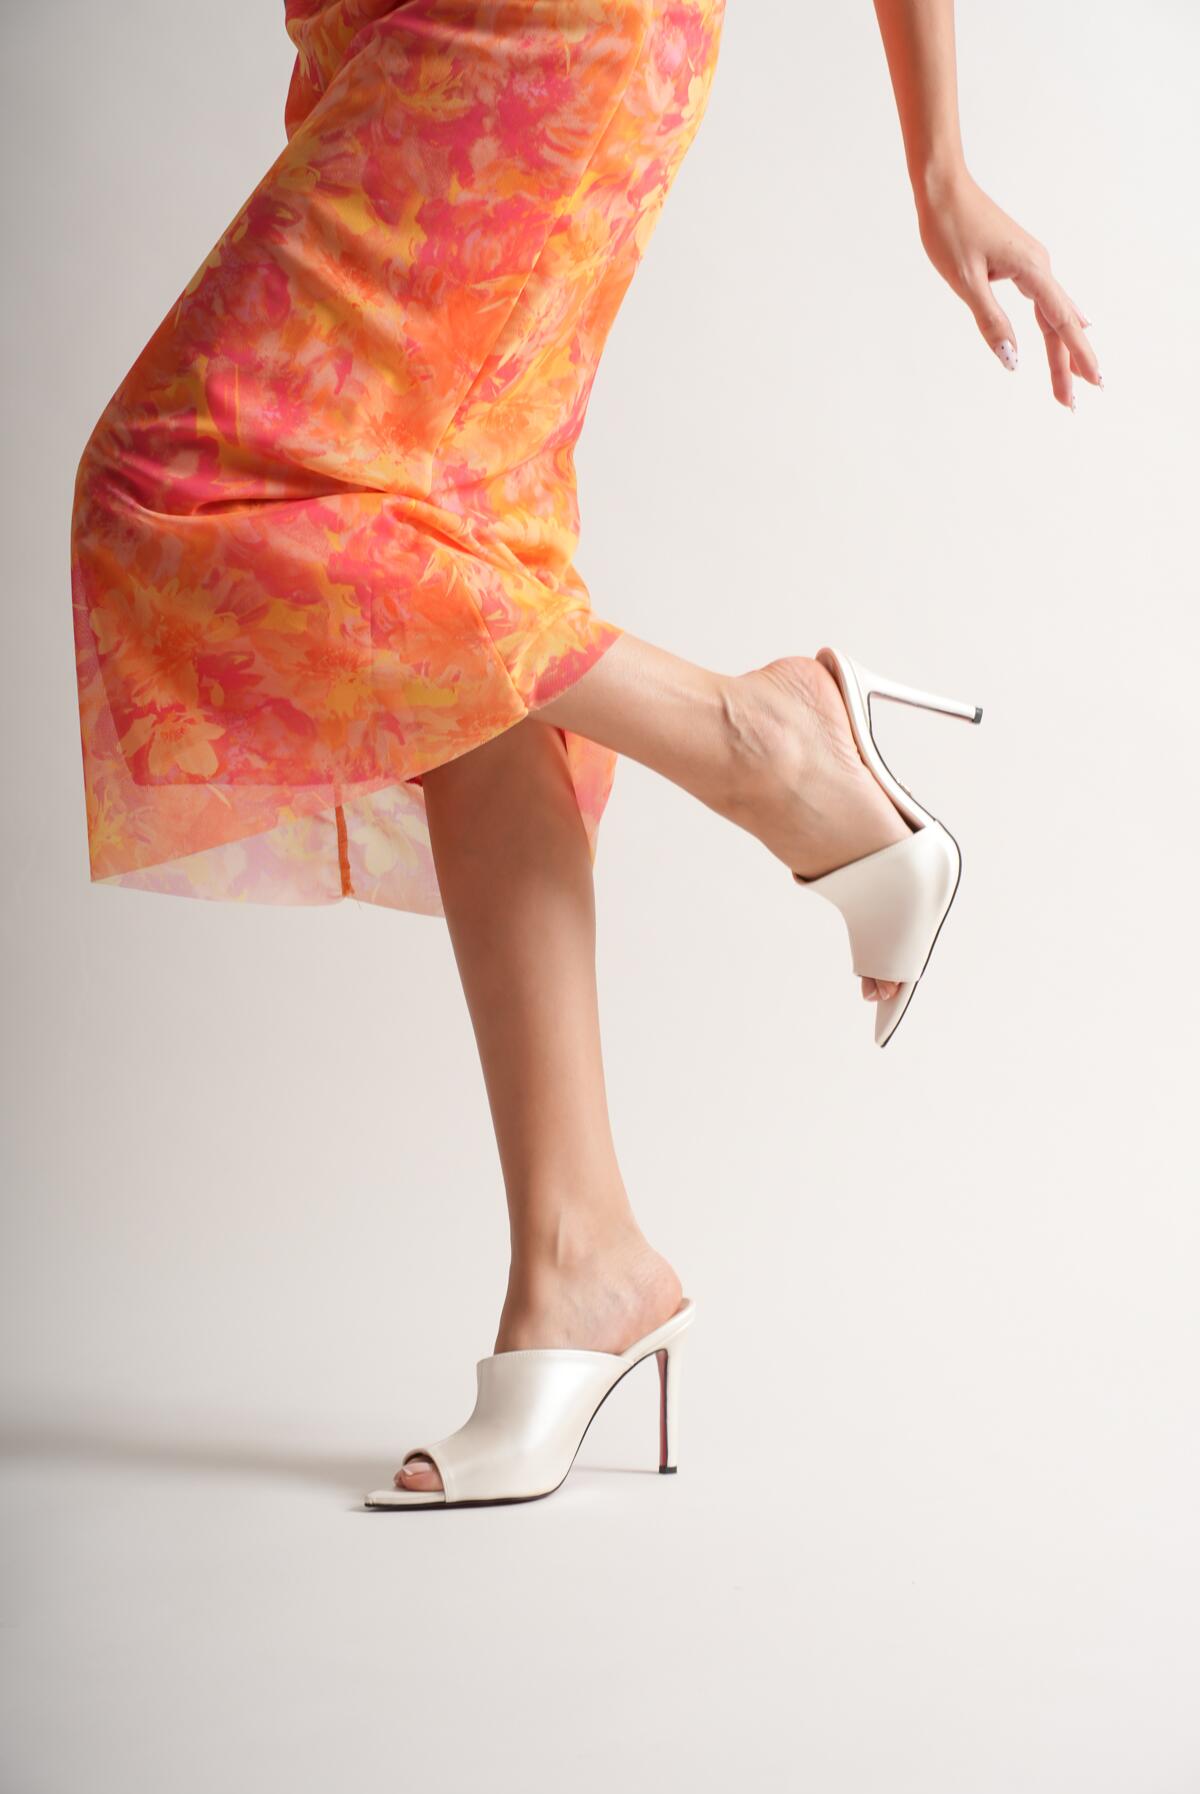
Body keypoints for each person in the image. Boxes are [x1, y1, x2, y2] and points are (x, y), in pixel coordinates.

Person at [69, 0, 1101, 1509]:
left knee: (168, 483)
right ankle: (581, 1257)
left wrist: (940, 162)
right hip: (381, 31)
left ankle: (763, 742)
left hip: (524, 27)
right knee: (447, 565)